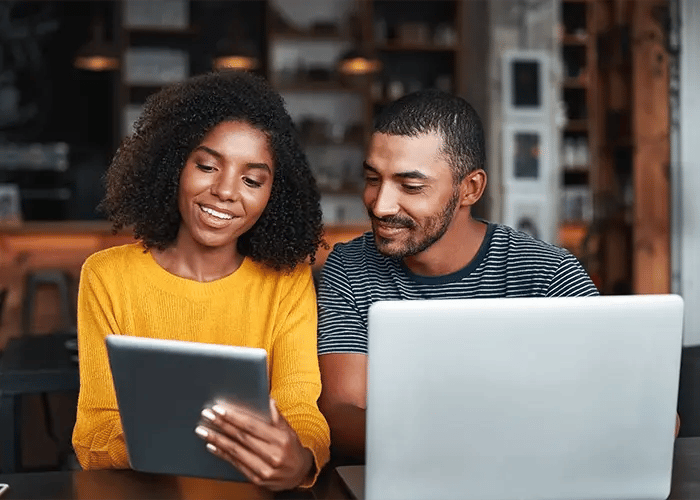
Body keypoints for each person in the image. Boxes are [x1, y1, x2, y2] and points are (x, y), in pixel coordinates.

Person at [72, 70, 330, 490]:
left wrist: (299, 458)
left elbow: (300, 408)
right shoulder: (107, 276)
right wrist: (197, 441)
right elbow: (93, 438)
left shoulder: (286, 282)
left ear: (274, 194)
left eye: (252, 180)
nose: (226, 191)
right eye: (207, 166)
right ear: (173, 164)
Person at [316, 89, 600, 462]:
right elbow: (339, 415)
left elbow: (643, 413)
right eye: (373, 179)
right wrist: (470, 445)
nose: (380, 205)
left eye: (411, 186)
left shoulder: (547, 274)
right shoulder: (350, 269)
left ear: (470, 189)